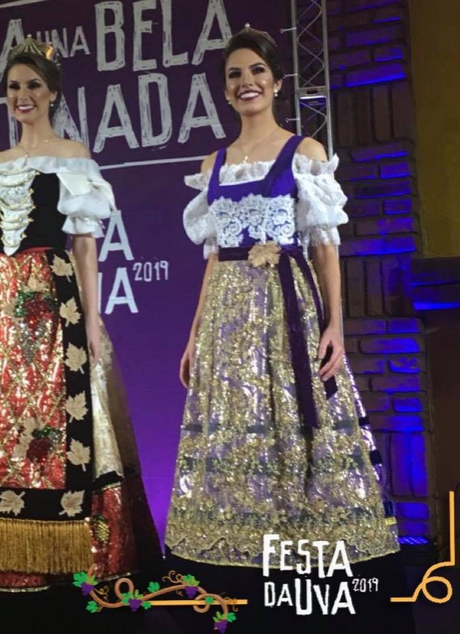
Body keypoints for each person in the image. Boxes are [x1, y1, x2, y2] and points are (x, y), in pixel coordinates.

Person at [163, 25, 415, 634]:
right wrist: (195, 334)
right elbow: (212, 258)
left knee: (293, 422)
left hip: (286, 306)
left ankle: (303, 565)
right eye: (234, 75)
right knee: (235, 430)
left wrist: (336, 323)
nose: (245, 83)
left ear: (276, 82)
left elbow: (327, 247)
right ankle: (234, 565)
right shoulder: (212, 165)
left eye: (256, 73)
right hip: (227, 311)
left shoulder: (303, 152)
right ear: (225, 91)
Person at [0, 37, 161, 633]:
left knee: (51, 422)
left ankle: (68, 565)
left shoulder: (73, 156)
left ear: (52, 92)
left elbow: (84, 244)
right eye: (13, 87)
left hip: (52, 301)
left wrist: (91, 318)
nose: (22, 96)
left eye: (32, 86)